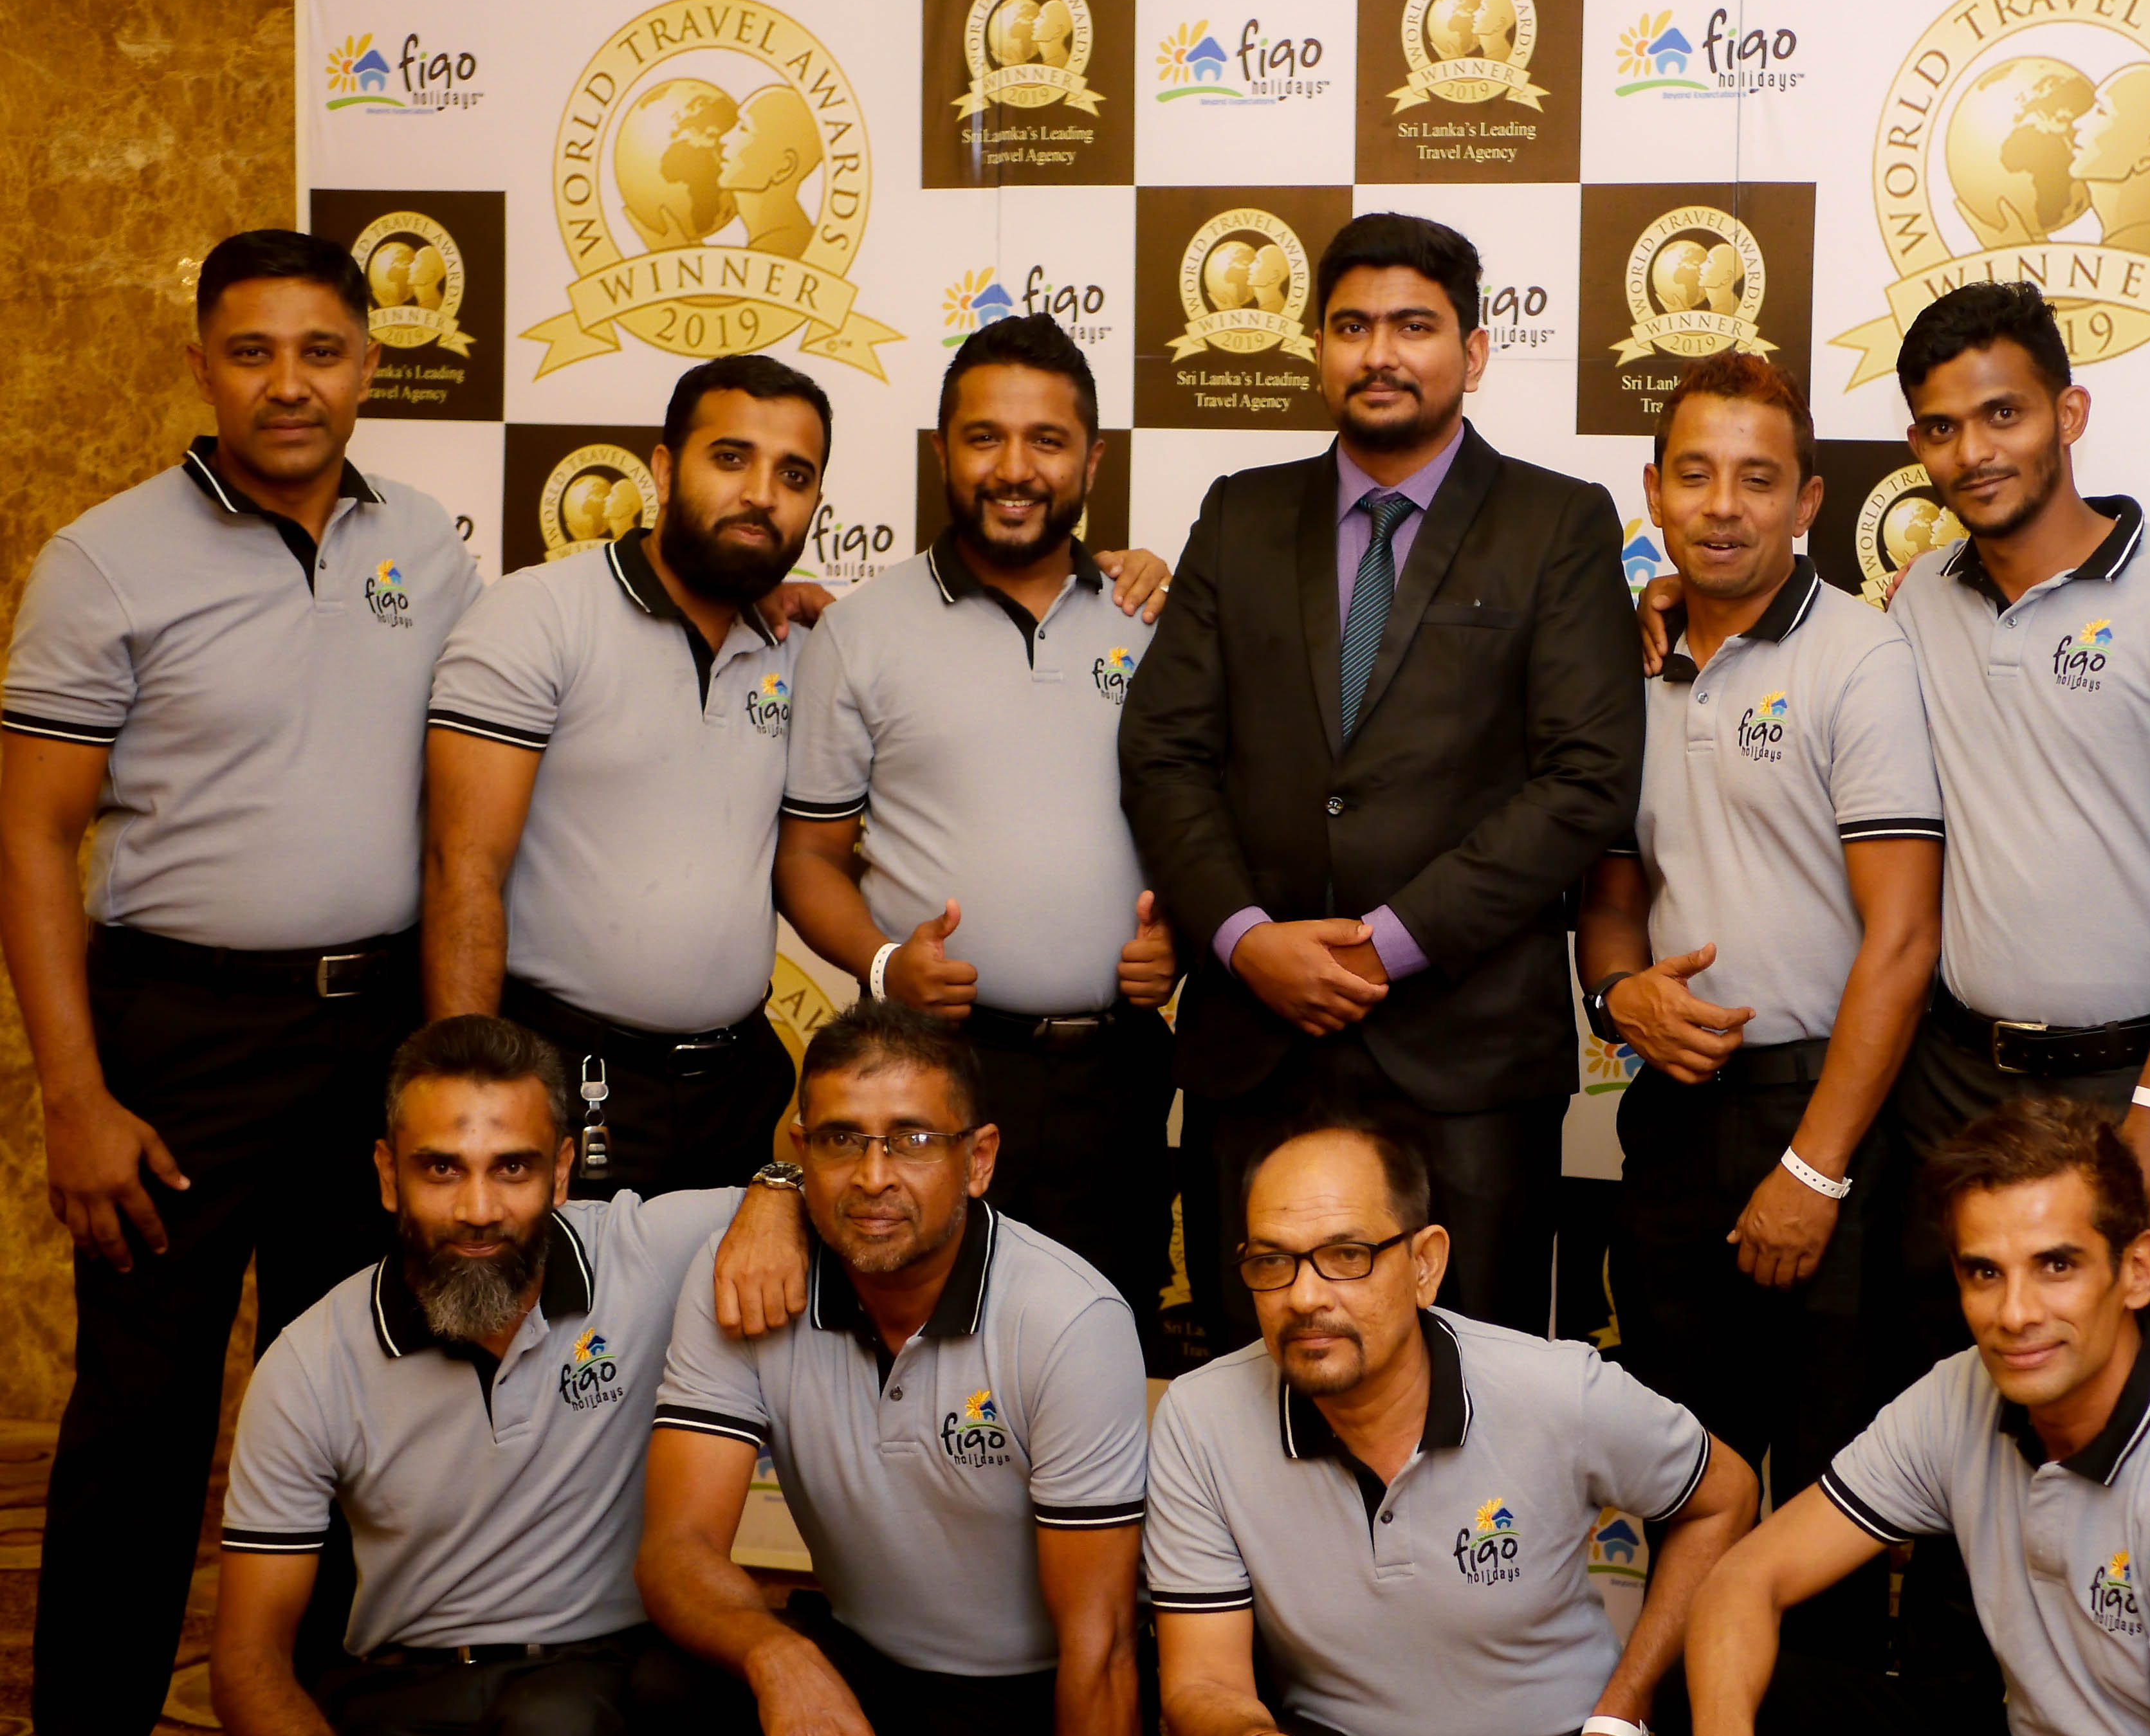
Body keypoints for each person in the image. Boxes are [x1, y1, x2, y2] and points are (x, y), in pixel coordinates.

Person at [0, 228, 480, 1736]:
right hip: (181, 1040)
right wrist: (75, 1094)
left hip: (374, 1035)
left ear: (369, 364)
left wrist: (776, 601)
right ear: (202, 361)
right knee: (142, 1425)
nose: (290, 383)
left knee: (350, 1404)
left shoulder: (427, 545)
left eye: (322, 350)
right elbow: (30, 839)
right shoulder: (105, 560)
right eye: (254, 350)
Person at [1645, 282, 2150, 1385]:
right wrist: (1657, 601)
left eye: (2003, 414)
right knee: (1950, 1414)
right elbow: (1753, 620)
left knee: (2133, 1406)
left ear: (2069, 415)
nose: (1973, 452)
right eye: (1941, 427)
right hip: (1950, 1085)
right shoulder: (1916, 603)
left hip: (2132, 1078)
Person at [1121, 212, 1644, 1337]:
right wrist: (1244, 940)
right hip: (1254, 1046)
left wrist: (1385, 944)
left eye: (1414, 326)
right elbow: (1163, 750)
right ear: (1317, 347)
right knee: (1259, 1383)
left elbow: (1587, 777)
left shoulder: (1557, 522)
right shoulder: (1240, 512)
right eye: (1352, 326)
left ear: (1475, 351)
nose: (1379, 354)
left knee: (1474, 1385)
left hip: (1466, 1059)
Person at [1682, 1096, 2150, 1736]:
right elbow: (1744, 1578)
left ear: (2138, 1269)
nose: (2015, 1314)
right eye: (1985, 1272)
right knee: (1720, 1693)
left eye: (2056, 1265)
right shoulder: (1961, 1392)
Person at [210, 1015, 801, 1736]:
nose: (479, 1208)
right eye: (441, 1168)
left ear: (562, 1173)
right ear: (388, 1175)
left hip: (602, 1679)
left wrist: (776, 1191)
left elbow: (851, 1189)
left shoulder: (645, 1252)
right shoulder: (309, 1360)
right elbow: (247, 1658)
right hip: (404, 1687)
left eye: (513, 1167)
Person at [1579, 350, 1940, 1661]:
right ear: (1652, 492)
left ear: (1808, 501)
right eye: (1695, 474)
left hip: (1829, 1116)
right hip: (1674, 1114)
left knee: (1827, 1490)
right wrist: (1616, 992)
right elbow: (1609, 889)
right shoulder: (1619, 660)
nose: (1722, 506)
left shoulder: (1860, 655)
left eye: (1756, 478)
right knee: (1685, 1470)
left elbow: (1904, 936)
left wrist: (1815, 1166)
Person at [1148, 1122, 1756, 1736]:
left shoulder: (1556, 1390)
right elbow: (1202, 1685)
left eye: (1346, 1255)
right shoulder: (1201, 1416)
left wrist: (1623, 1718)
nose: (1305, 1296)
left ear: (1425, 1264)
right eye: (1272, 1261)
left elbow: (1727, 1497)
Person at [639, 998, 1150, 1736]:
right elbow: (676, 1547)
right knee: (664, 1687)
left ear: (978, 1158)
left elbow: (1104, 1646)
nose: (873, 1176)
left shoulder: (1067, 1318)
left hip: (1021, 1692)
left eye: (912, 1139)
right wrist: (780, 1655)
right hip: (854, 1660)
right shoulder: (745, 1271)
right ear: (801, 1152)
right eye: (842, 1139)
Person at [778, 315, 1182, 1337]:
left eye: (1047, 440)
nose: (1014, 469)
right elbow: (809, 859)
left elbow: (1211, 821)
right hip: (930, 1073)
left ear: (1093, 460)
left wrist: (1183, 935)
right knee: (919, 1347)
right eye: (984, 438)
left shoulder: (1159, 620)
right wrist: (884, 966)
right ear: (941, 452)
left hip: (1117, 1075)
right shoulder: (861, 632)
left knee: (1105, 1341)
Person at [423, 354, 831, 1204]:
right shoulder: (539, 615)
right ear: (664, 470)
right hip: (573, 1078)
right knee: (562, 1297)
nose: (762, 494)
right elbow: (461, 867)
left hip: (738, 1085)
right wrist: (469, 1095)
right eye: (731, 458)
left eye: (794, 475)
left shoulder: (807, 649)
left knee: (723, 1297)